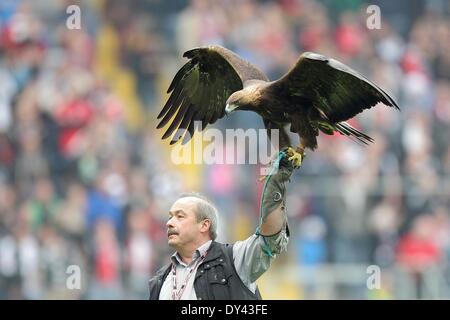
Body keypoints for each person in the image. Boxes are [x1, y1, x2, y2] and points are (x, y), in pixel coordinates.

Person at [148, 150, 297, 300]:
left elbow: (268, 239)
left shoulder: (234, 259)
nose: (170, 223)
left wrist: (276, 185)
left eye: (180, 216)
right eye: (170, 217)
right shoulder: (159, 281)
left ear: (204, 225)